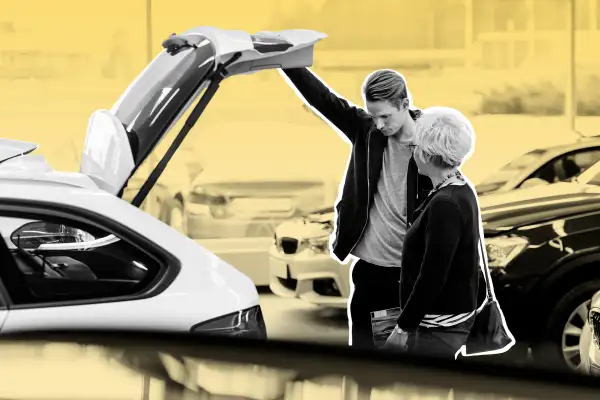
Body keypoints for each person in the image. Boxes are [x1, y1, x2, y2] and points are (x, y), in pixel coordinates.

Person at [279, 67, 432, 349]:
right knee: (364, 362)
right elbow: (323, 99)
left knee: (405, 367)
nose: (380, 123)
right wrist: (287, 60)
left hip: (410, 277)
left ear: (405, 105)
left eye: (386, 116)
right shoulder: (366, 131)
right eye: (374, 115)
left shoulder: (432, 141)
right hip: (371, 272)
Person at [383, 106, 480, 359]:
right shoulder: (460, 187)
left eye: (415, 147)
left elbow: (433, 275)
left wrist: (403, 328)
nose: (413, 153)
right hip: (449, 322)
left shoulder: (445, 204)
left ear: (426, 154)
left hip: (439, 329)